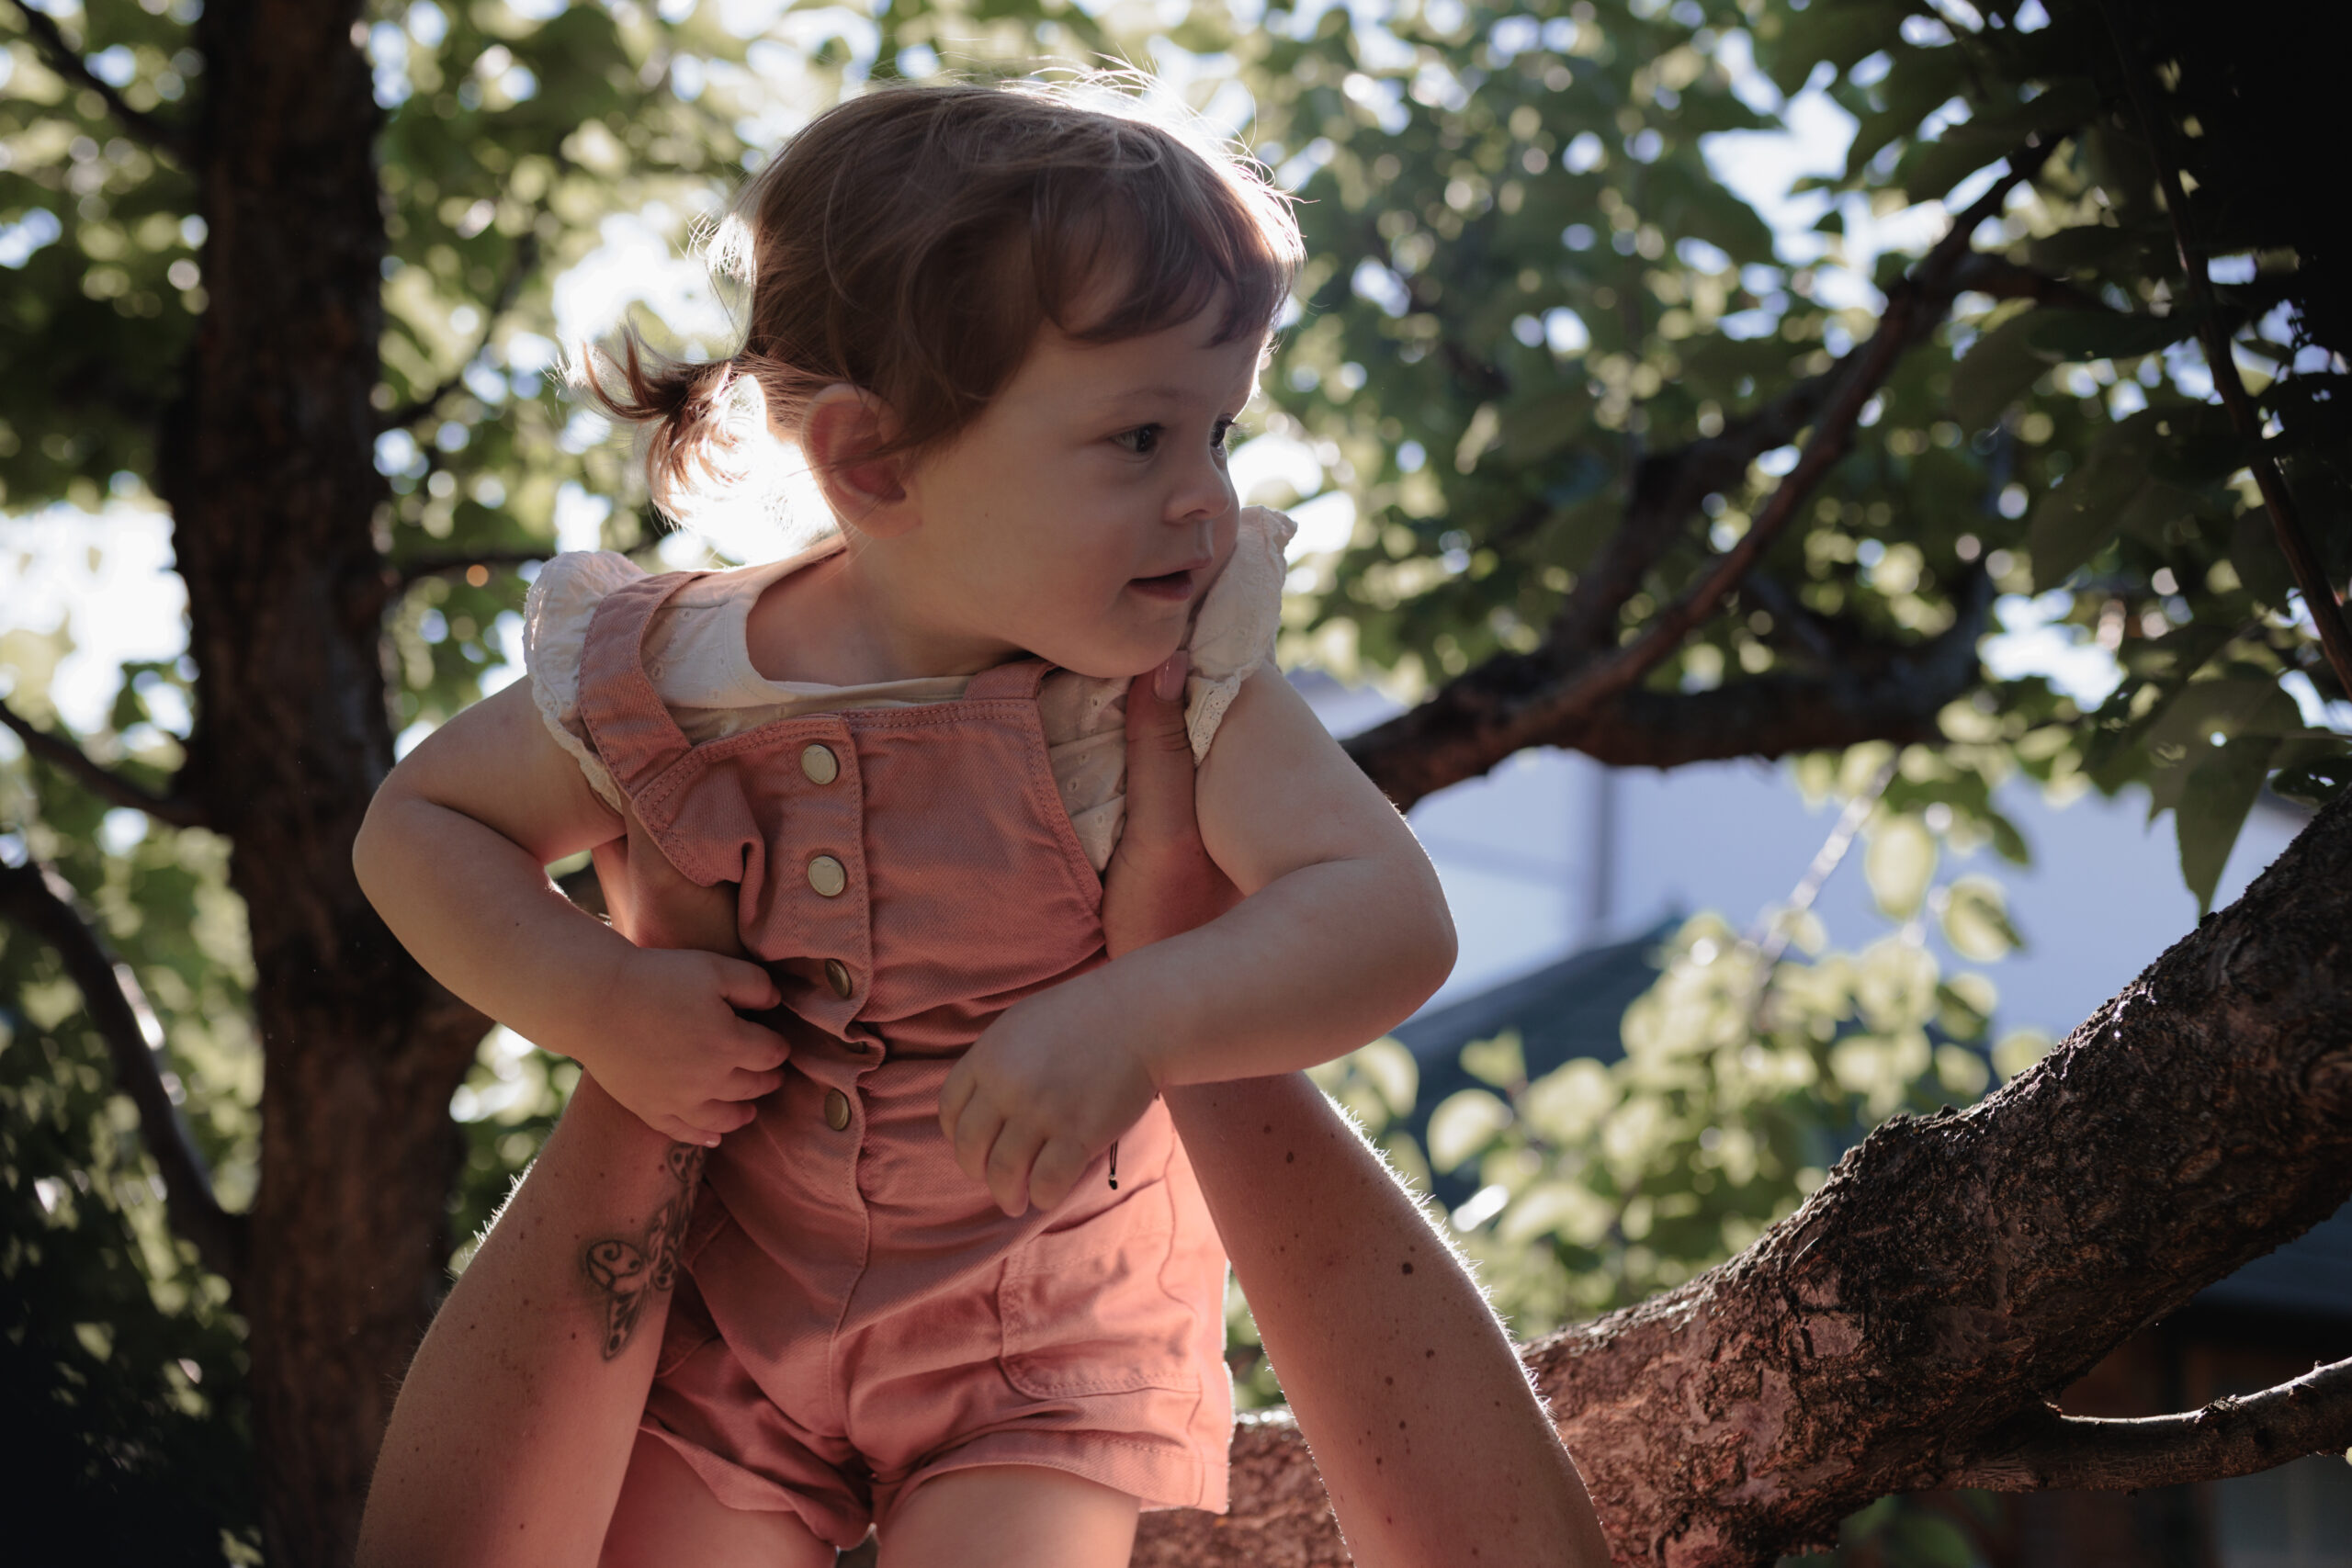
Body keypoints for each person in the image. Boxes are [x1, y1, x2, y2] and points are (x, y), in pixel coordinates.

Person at [353, 81, 1609, 1566]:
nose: (1206, 501)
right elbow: (420, 826)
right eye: (1141, 439)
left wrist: (1145, 1014)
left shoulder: (1161, 683)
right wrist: (596, 997)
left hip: (1035, 1358)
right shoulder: (676, 671)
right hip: (729, 1337)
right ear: (877, 464)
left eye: (1218, 432)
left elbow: (1388, 917)